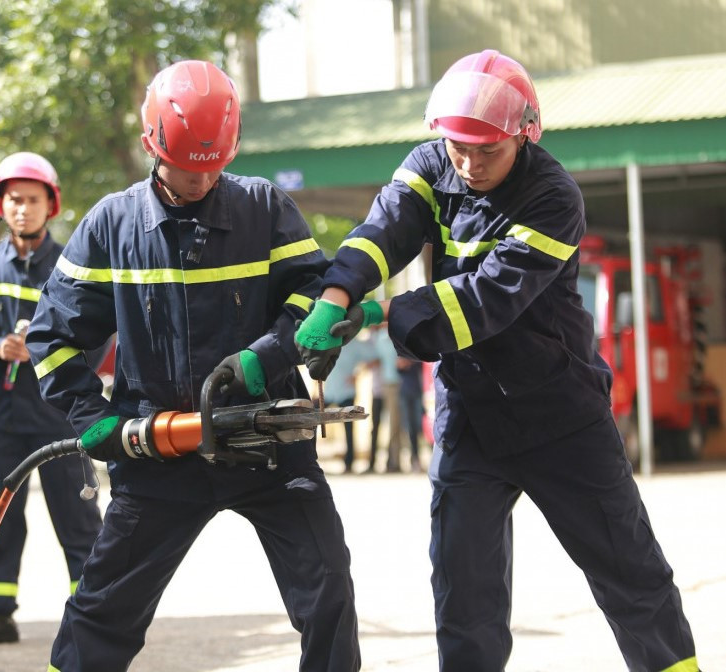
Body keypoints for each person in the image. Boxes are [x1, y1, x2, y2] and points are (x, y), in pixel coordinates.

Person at [295, 50, 699, 671]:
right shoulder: (432, 166)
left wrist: (381, 315)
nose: (470, 163)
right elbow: (384, 231)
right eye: (459, 147)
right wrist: (336, 294)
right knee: (465, 592)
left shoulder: (553, 196)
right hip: (471, 418)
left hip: (560, 413)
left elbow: (484, 303)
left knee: (629, 569)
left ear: (523, 136)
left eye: (488, 151)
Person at [27, 60, 360, 671]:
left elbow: (317, 299)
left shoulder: (264, 208)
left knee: (328, 591)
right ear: (153, 145)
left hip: (267, 440)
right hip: (160, 450)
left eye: (215, 167)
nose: (203, 181)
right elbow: (53, 337)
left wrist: (271, 355)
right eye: (187, 168)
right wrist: (93, 420)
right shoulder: (111, 225)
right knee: (100, 611)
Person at [0, 151, 104, 647]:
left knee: (78, 520)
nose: (22, 209)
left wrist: (49, 354)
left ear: (50, 205)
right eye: (14, 200)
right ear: (2, 205)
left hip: (61, 411)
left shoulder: (71, 264)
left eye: (32, 200)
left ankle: (95, 615)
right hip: (2, 417)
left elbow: (100, 333)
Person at [323, 337, 373, 474]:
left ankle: (349, 463)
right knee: (312, 423)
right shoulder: (328, 341)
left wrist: (358, 374)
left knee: (349, 429)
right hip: (329, 391)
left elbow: (374, 357)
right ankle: (309, 460)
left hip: (346, 391)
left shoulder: (355, 343)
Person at [371, 326, 403, 473]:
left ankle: (394, 462)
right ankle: (384, 462)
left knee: (395, 425)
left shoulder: (400, 336)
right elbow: (373, 360)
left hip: (399, 385)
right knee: (385, 425)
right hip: (385, 385)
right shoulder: (379, 339)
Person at [395, 356, 424, 473]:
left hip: (421, 392)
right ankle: (415, 459)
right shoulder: (401, 349)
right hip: (406, 393)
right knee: (410, 428)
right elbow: (399, 366)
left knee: (421, 425)